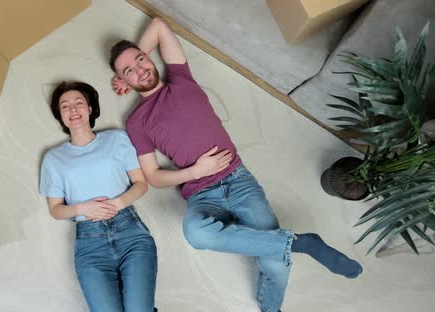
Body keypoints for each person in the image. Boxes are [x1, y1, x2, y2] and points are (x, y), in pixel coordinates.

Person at [109, 17, 362, 312]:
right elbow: (152, 176)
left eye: (141, 60)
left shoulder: (180, 78)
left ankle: (271, 308)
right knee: (196, 234)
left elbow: (159, 26)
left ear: (149, 57)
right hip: (200, 194)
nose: (140, 69)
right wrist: (195, 171)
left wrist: (133, 60)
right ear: (124, 83)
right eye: (129, 72)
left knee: (276, 267)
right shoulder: (137, 121)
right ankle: (301, 243)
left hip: (238, 180)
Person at [39, 81, 158, 312]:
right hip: (90, 245)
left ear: (90, 108)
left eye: (78, 103)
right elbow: (55, 210)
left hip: (130, 234)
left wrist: (118, 203)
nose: (73, 110)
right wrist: (82, 208)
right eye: (65, 106)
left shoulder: (116, 139)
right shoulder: (53, 159)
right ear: (60, 116)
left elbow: (141, 184)